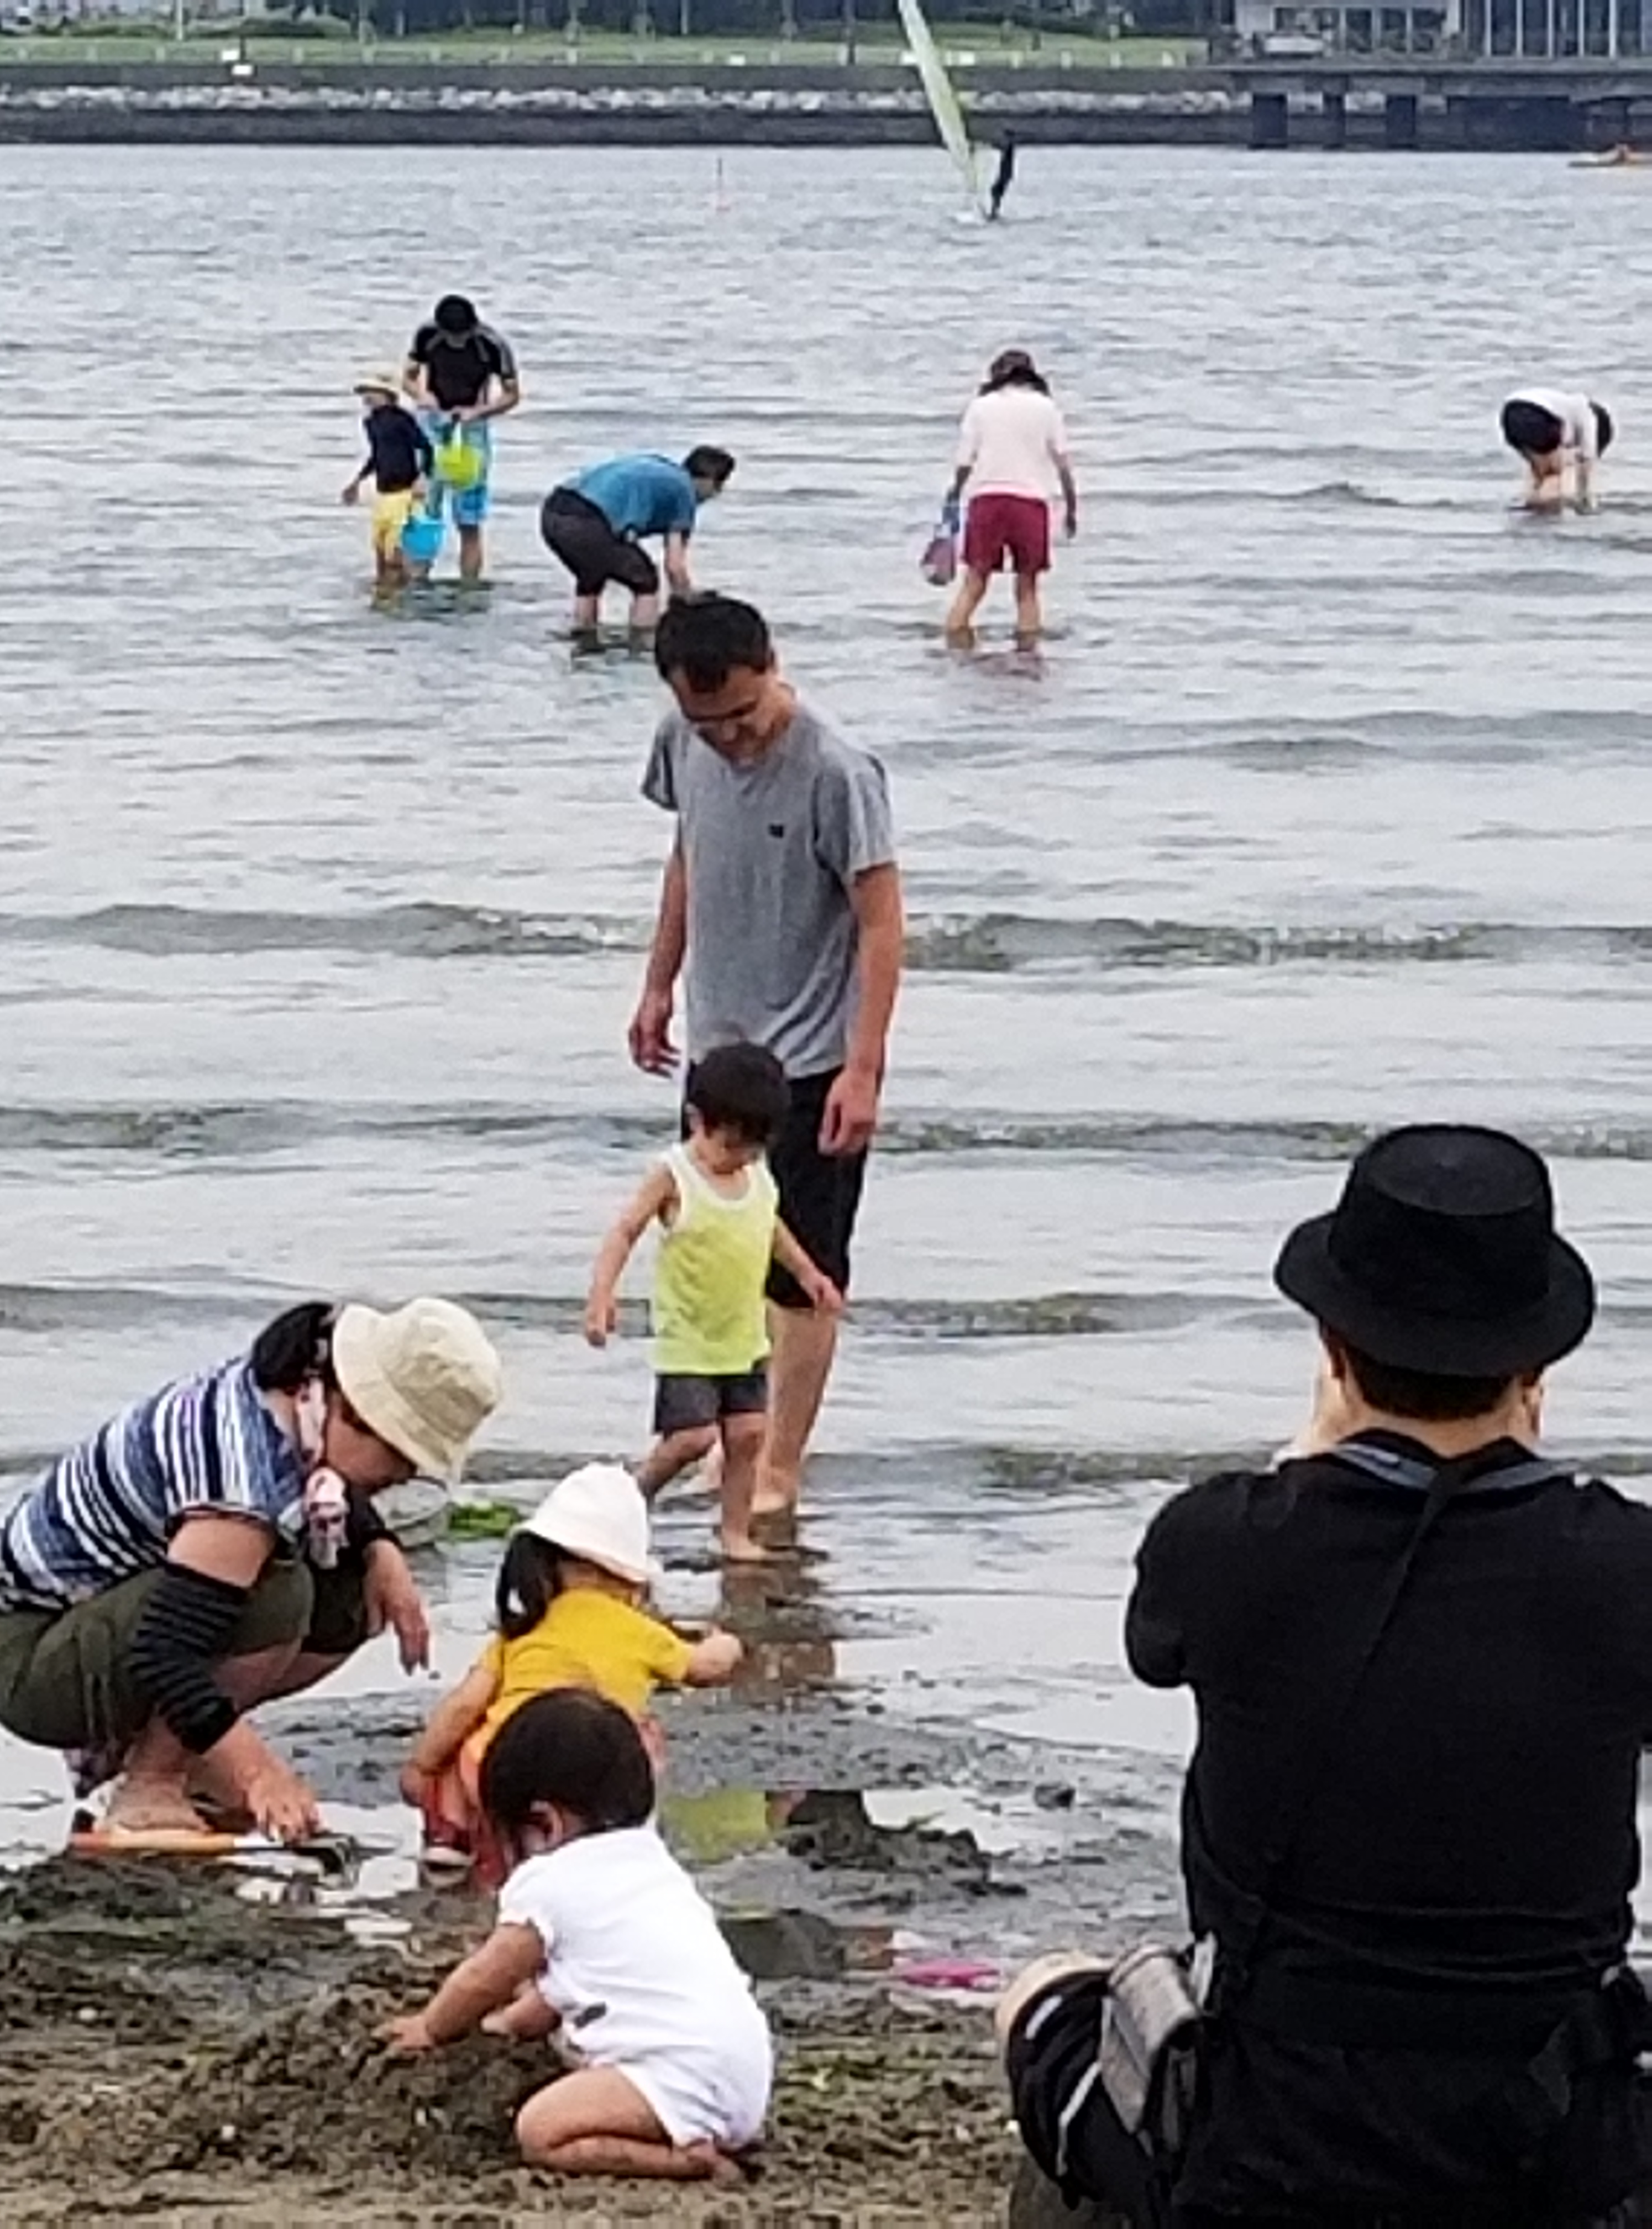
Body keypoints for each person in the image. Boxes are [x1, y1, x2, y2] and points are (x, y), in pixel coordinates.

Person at [1001, 1124, 1652, 2223]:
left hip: (1267, 2152)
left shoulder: (1222, 1544)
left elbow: (1158, 1648)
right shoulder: (1628, 1568)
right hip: (1548, 2153)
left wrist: (1305, 1470)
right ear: (1536, 1367)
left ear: (1332, 1348)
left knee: (1041, 1997)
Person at [0, 1298, 502, 1846]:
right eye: (403, 1455)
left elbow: (338, 1489)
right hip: (26, 1655)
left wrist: (380, 1549)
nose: (405, 1475)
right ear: (353, 1413)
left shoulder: (288, 1402)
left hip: (96, 1618)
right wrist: (261, 1775)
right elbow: (164, 1652)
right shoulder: (239, 1490)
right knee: (276, 1595)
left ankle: (185, 1747)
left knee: (349, 1593)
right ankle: (152, 1781)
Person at [631, 594, 903, 1535]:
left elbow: (879, 921)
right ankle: (735, 1442)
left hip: (816, 1059)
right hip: (716, 1050)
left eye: (743, 718)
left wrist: (864, 1068)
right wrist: (657, 982)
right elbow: (685, 858)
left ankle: (779, 1462)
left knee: (804, 1273)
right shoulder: (683, 739)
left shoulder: (836, 768)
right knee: (713, 1256)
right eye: (711, 726)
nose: (732, 741)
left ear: (771, 666)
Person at [385, 1687, 774, 2185]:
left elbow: (486, 1977)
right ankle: (711, 2131)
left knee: (541, 2130)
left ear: (544, 1824)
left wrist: (431, 2028)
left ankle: (682, 2162)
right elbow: (572, 1987)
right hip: (744, 2076)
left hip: (673, 2080)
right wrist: (509, 2026)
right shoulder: (649, 1860)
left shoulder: (551, 1881)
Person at [400, 1463, 741, 1865]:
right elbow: (704, 1668)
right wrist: (727, 1643)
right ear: (630, 1578)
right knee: (642, 1735)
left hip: (499, 1772)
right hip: (588, 1782)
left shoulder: (523, 1629)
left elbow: (463, 1705)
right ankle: (620, 1841)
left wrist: (423, 1769)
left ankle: (452, 1835)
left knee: (472, 1741)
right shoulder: (635, 1629)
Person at [585, 1042, 845, 1563]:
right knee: (693, 1438)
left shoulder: (756, 1177)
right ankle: (631, 1497)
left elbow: (771, 1230)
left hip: (742, 1336)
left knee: (749, 1436)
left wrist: (810, 1274)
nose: (738, 1159)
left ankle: (735, 1534)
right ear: (697, 1121)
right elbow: (625, 1229)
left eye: (751, 1150)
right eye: (729, 1146)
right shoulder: (675, 1174)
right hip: (690, 1338)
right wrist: (602, 1295)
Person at [943, 349, 1077, 648]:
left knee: (975, 581)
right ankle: (1028, 652)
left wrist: (953, 496)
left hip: (987, 501)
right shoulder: (1046, 408)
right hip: (1031, 503)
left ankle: (954, 645)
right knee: (1028, 586)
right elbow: (1063, 464)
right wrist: (1072, 508)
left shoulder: (981, 407)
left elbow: (965, 462)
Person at [538, 448, 735, 642]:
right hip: (587, 520)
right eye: (719, 486)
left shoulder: (661, 467)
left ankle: (583, 634)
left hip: (553, 512)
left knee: (592, 573)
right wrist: (686, 599)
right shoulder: (684, 494)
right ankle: (641, 644)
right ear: (709, 481)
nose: (716, 494)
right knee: (645, 580)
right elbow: (675, 567)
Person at [402, 293, 521, 583]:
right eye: (450, 336)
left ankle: (470, 587)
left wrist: (480, 411)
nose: (455, 341)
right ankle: (417, 581)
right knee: (422, 512)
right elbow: (408, 377)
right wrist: (421, 395)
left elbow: (512, 395)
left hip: (471, 429)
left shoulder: (492, 345)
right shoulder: (427, 335)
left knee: (469, 518)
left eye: (461, 336)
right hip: (431, 422)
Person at [340, 373, 434, 590]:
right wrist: (357, 482)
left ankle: (399, 588)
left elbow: (425, 448)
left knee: (396, 547)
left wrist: (422, 477)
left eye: (371, 392)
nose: (366, 397)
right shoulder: (371, 423)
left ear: (386, 394)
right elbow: (377, 456)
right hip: (383, 491)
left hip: (404, 490)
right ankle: (383, 588)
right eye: (365, 393)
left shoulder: (403, 419)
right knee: (379, 545)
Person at [1500, 388, 1613, 513]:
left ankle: (1531, 507)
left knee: (1538, 472)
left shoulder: (1569, 408)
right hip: (1536, 414)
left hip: (1509, 415)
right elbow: (1588, 459)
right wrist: (1585, 500)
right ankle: (1545, 517)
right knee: (1553, 472)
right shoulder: (1588, 416)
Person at [988, 129, 1018, 221]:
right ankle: (995, 212)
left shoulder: (1007, 153)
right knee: (996, 192)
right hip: (1006, 174)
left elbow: (1005, 152)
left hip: (1006, 174)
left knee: (996, 191)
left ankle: (994, 212)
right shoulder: (1008, 154)